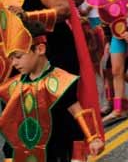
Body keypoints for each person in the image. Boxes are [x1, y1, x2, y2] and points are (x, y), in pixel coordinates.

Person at [0, 0, 102, 159]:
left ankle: (77, 152)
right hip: (16, 64)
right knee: (20, 120)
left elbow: (64, 9)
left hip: (51, 58)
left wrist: (30, 17)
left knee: (61, 115)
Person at [0, 12, 104, 161]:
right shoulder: (15, 86)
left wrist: (94, 138)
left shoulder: (59, 80)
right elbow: (13, 123)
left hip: (61, 150)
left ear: (40, 49)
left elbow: (77, 112)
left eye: (18, 57)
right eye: (11, 59)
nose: (14, 63)